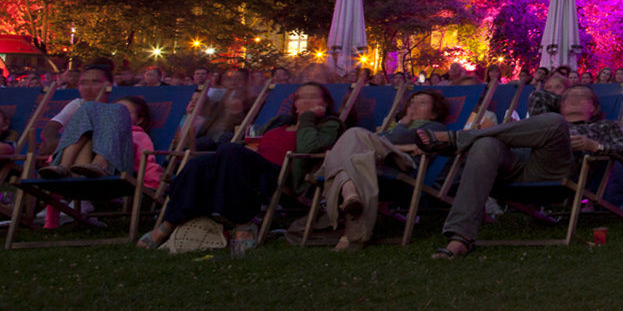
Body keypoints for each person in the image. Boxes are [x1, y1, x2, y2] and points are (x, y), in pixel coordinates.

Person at [416, 84, 623, 259]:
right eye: (568, 96)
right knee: (486, 145)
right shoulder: (547, 113)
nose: (574, 99)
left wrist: (595, 146)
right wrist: (566, 98)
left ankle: (456, 140)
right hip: (517, 164)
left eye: (584, 97)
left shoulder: (606, 126)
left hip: (556, 171)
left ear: (596, 109)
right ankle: (461, 237)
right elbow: (538, 96)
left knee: (555, 122)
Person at [138, 82, 344, 253]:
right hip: (248, 167)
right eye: (301, 97)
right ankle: (170, 223)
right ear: (295, 103)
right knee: (199, 162)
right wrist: (247, 150)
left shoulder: (329, 124)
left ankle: (243, 222)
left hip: (278, 173)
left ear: (325, 102)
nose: (306, 101)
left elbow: (310, 146)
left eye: (313, 96)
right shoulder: (278, 121)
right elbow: (254, 142)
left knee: (230, 151)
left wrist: (307, 118)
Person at [316, 88, 450, 250]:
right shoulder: (396, 128)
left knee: (353, 135)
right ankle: (350, 200)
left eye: (422, 104)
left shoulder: (435, 126)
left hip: (402, 169)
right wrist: (405, 146)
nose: (414, 107)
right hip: (374, 165)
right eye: (412, 103)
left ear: (434, 113)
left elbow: (390, 139)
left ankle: (349, 204)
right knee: (355, 159)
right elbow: (380, 140)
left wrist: (404, 123)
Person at [38, 64, 134, 179]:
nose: (87, 87)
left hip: (116, 164)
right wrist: (51, 143)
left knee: (105, 110)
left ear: (108, 85)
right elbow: (51, 126)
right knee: (87, 130)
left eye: (95, 82)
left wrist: (62, 141)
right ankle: (67, 168)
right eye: (83, 83)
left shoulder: (122, 105)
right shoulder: (78, 104)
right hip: (81, 165)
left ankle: (95, 164)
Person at [117, 96, 164, 191]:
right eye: (115, 111)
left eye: (127, 112)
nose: (119, 115)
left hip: (121, 170)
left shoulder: (138, 135)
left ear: (139, 120)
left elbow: (146, 161)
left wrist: (152, 181)